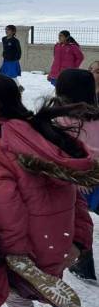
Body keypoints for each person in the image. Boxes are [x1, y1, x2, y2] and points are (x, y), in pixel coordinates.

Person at [0, 73, 98, 307]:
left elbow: (4, 205)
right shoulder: (36, 129)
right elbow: (70, 186)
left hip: (24, 247)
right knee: (15, 296)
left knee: (2, 290)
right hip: (52, 237)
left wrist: (16, 256)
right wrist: (79, 238)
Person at [54, 68, 99, 282]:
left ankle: (84, 264)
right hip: (94, 180)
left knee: (78, 224)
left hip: (75, 181)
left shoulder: (60, 120)